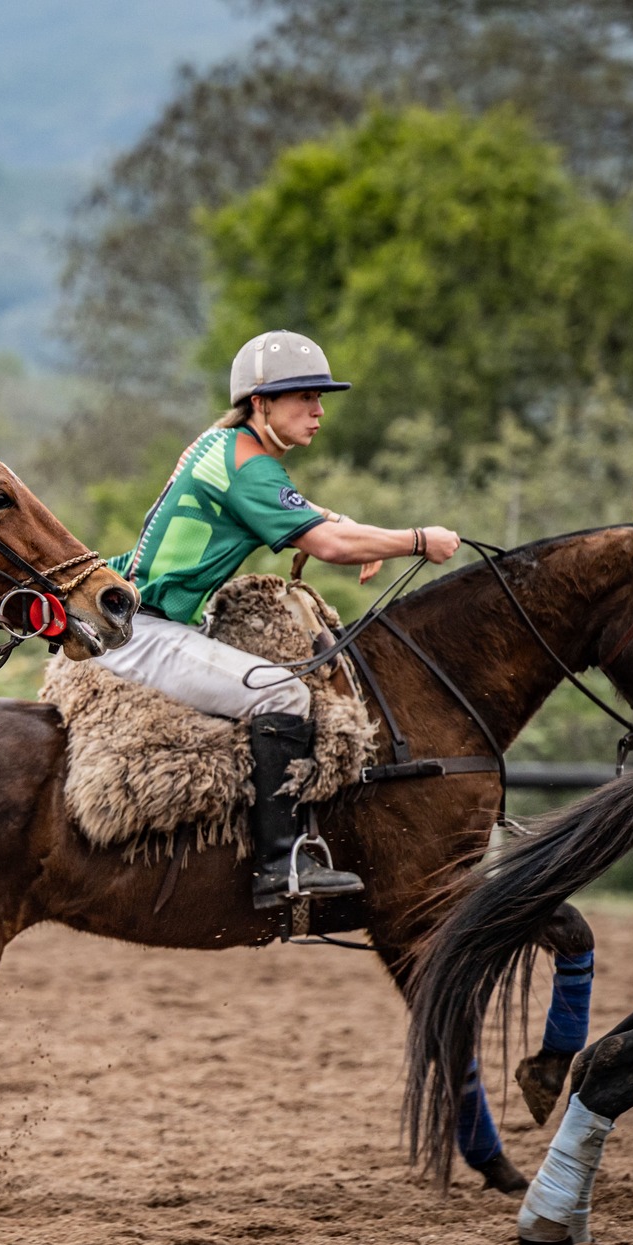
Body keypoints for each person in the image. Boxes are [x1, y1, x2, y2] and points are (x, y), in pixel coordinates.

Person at [98, 331, 461, 906]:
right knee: (283, 694)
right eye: (304, 397)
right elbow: (328, 544)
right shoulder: (251, 466)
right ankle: (281, 866)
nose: (319, 411)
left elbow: (309, 516)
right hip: (146, 633)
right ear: (261, 402)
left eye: (320, 397)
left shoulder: (226, 445)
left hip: (137, 619)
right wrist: (419, 540)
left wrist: (345, 524)